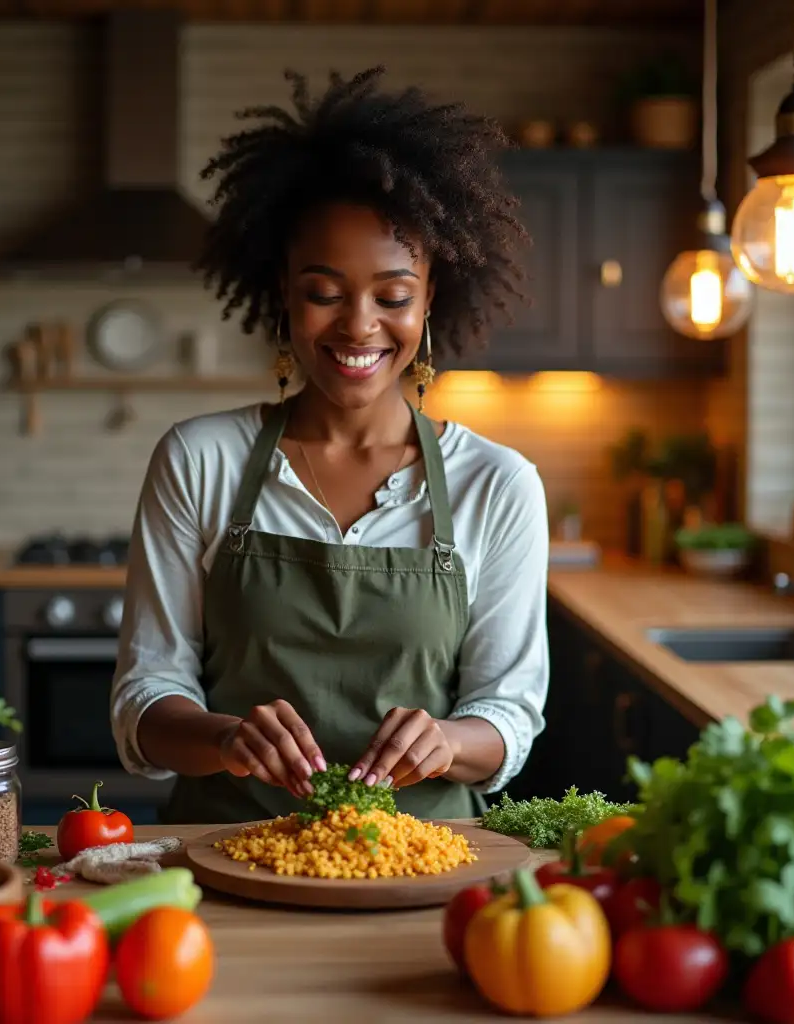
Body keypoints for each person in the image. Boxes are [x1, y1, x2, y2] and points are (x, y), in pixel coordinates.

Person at [110, 66, 550, 825]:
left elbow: (508, 715)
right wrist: (226, 738)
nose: (358, 326)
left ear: (431, 297)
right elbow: (145, 701)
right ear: (282, 290)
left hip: (426, 863)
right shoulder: (198, 461)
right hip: (228, 854)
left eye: (392, 295)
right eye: (323, 292)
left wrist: (446, 740)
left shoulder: (498, 484)